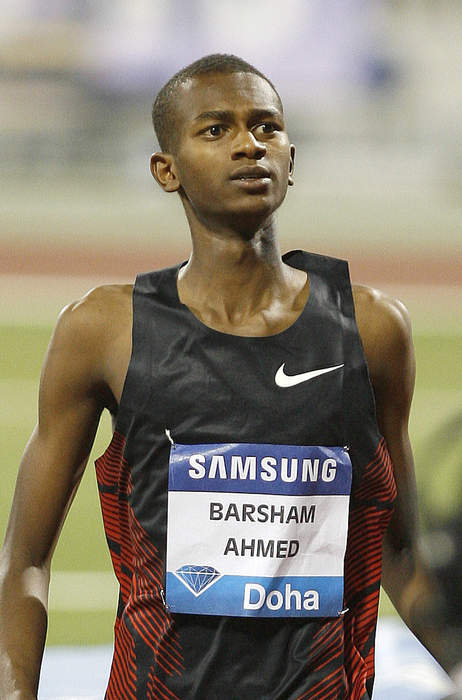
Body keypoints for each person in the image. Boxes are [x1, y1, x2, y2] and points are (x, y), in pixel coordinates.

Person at [0, 53, 452, 699]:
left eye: (266, 127)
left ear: (292, 160)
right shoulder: (103, 332)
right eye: (216, 130)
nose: (249, 144)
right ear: (167, 170)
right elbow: (24, 564)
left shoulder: (373, 331)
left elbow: (403, 555)